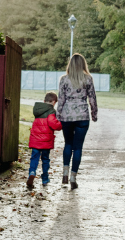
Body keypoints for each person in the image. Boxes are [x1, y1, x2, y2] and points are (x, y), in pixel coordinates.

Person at [55, 53, 98, 189]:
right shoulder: (88, 79)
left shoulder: (64, 79)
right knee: (77, 147)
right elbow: (92, 99)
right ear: (83, 65)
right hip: (82, 116)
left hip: (67, 116)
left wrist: (58, 115)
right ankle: (73, 177)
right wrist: (94, 114)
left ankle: (65, 172)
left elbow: (61, 99)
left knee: (68, 144)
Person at [27, 92, 62, 189]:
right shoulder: (51, 112)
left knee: (34, 158)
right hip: (45, 141)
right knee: (45, 159)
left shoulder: (38, 110)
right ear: (54, 102)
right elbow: (53, 124)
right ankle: (45, 178)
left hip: (35, 140)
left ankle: (32, 172)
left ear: (44, 101)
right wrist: (61, 124)